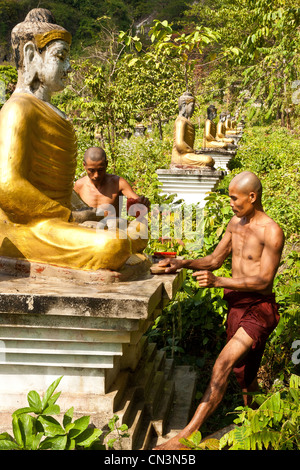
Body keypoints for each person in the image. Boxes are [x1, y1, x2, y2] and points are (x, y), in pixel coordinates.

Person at [0, 9, 148, 273]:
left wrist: (84, 213)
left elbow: (56, 186)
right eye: (61, 57)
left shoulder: (51, 111)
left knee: (138, 232)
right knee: (112, 247)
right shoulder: (18, 109)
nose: (68, 68)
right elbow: (7, 185)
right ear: (32, 55)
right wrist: (70, 217)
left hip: (58, 219)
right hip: (29, 225)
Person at [154, 171, 284, 450]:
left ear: (252, 197)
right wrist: (183, 263)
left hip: (260, 309)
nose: (231, 203)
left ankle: (185, 437)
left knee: (222, 364)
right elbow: (214, 260)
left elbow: (264, 281)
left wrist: (218, 282)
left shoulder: (271, 231)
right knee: (245, 373)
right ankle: (259, 422)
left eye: (234, 198)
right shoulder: (235, 223)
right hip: (236, 305)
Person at [74, 146, 150, 221]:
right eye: (92, 170)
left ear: (106, 164)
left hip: (111, 231)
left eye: (100, 170)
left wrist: (142, 205)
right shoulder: (79, 185)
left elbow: (139, 206)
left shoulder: (118, 183)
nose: (96, 175)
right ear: (84, 165)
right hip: (86, 231)